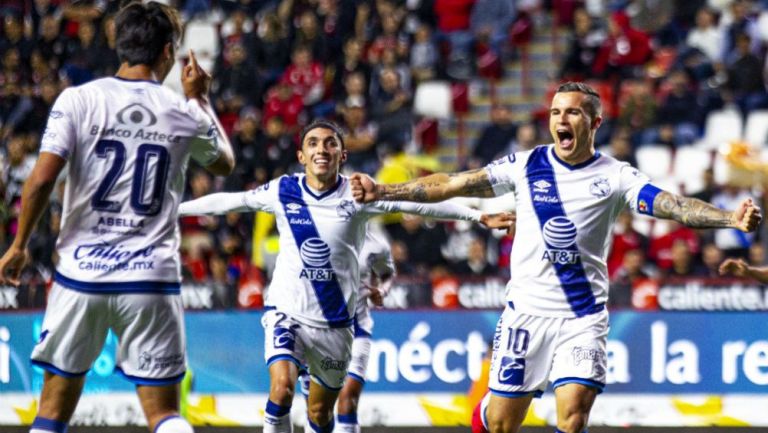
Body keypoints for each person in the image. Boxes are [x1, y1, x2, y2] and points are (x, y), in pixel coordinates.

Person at [350, 81, 762, 433]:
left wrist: (730, 218)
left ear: (595, 123)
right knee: (501, 422)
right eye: (555, 112)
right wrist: (385, 192)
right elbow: (453, 183)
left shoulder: (616, 176)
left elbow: (671, 205)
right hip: (526, 314)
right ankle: (485, 410)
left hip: (583, 317)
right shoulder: (525, 165)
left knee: (573, 416)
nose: (561, 120)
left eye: (574, 114)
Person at [177, 119, 513, 433]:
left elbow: (420, 205)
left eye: (329, 144)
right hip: (287, 311)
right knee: (281, 390)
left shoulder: (359, 195)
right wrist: (175, 210)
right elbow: (232, 202)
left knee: (320, 413)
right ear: (301, 155)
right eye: (312, 144)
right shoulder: (283, 190)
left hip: (335, 324)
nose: (321, 149)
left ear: (343, 154)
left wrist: (476, 217)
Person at [0, 3, 235, 433]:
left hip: (80, 278)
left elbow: (40, 181)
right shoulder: (182, 111)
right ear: (168, 52)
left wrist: (17, 246)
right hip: (151, 280)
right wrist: (200, 98)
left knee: (51, 410)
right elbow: (224, 163)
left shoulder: (78, 99)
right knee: (164, 414)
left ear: (118, 44)